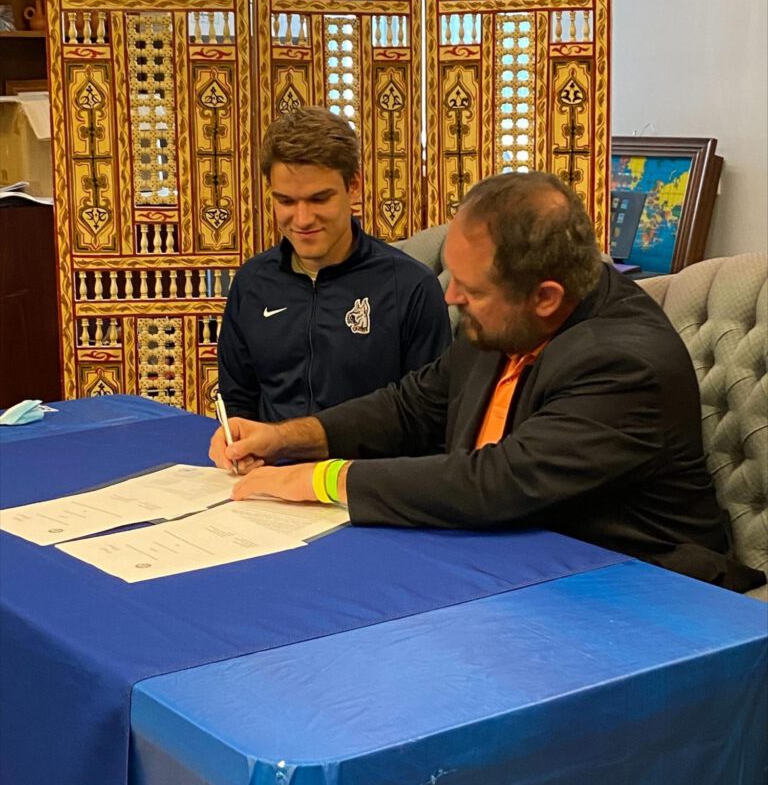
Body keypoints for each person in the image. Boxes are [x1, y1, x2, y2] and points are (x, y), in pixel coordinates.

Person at [210, 170, 764, 592]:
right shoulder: (512, 318)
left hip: (644, 592)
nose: (451, 297)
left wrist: (321, 481)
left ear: (545, 296)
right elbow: (413, 405)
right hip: (511, 563)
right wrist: (283, 437)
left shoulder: (623, 364)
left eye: (470, 291)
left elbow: (495, 483)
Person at [214, 106, 452, 425]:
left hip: (366, 473)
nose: (302, 219)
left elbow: (429, 416)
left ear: (353, 186)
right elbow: (238, 400)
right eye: (285, 201)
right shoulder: (252, 283)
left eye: (319, 199)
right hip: (271, 471)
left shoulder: (411, 286)